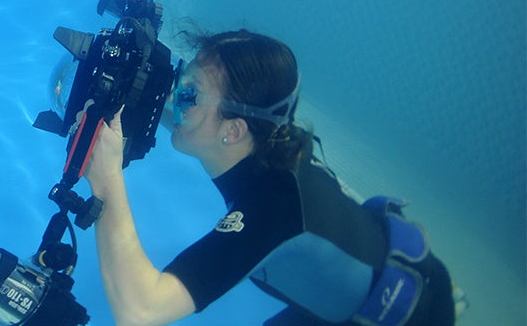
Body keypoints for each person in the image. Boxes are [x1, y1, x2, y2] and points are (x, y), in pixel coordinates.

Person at [84, 30, 455, 326]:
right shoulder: (269, 136)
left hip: (411, 314)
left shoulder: (272, 212)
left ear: (234, 130)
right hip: (371, 269)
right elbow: (197, 123)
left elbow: (140, 310)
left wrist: (105, 179)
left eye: (189, 93)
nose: (174, 96)